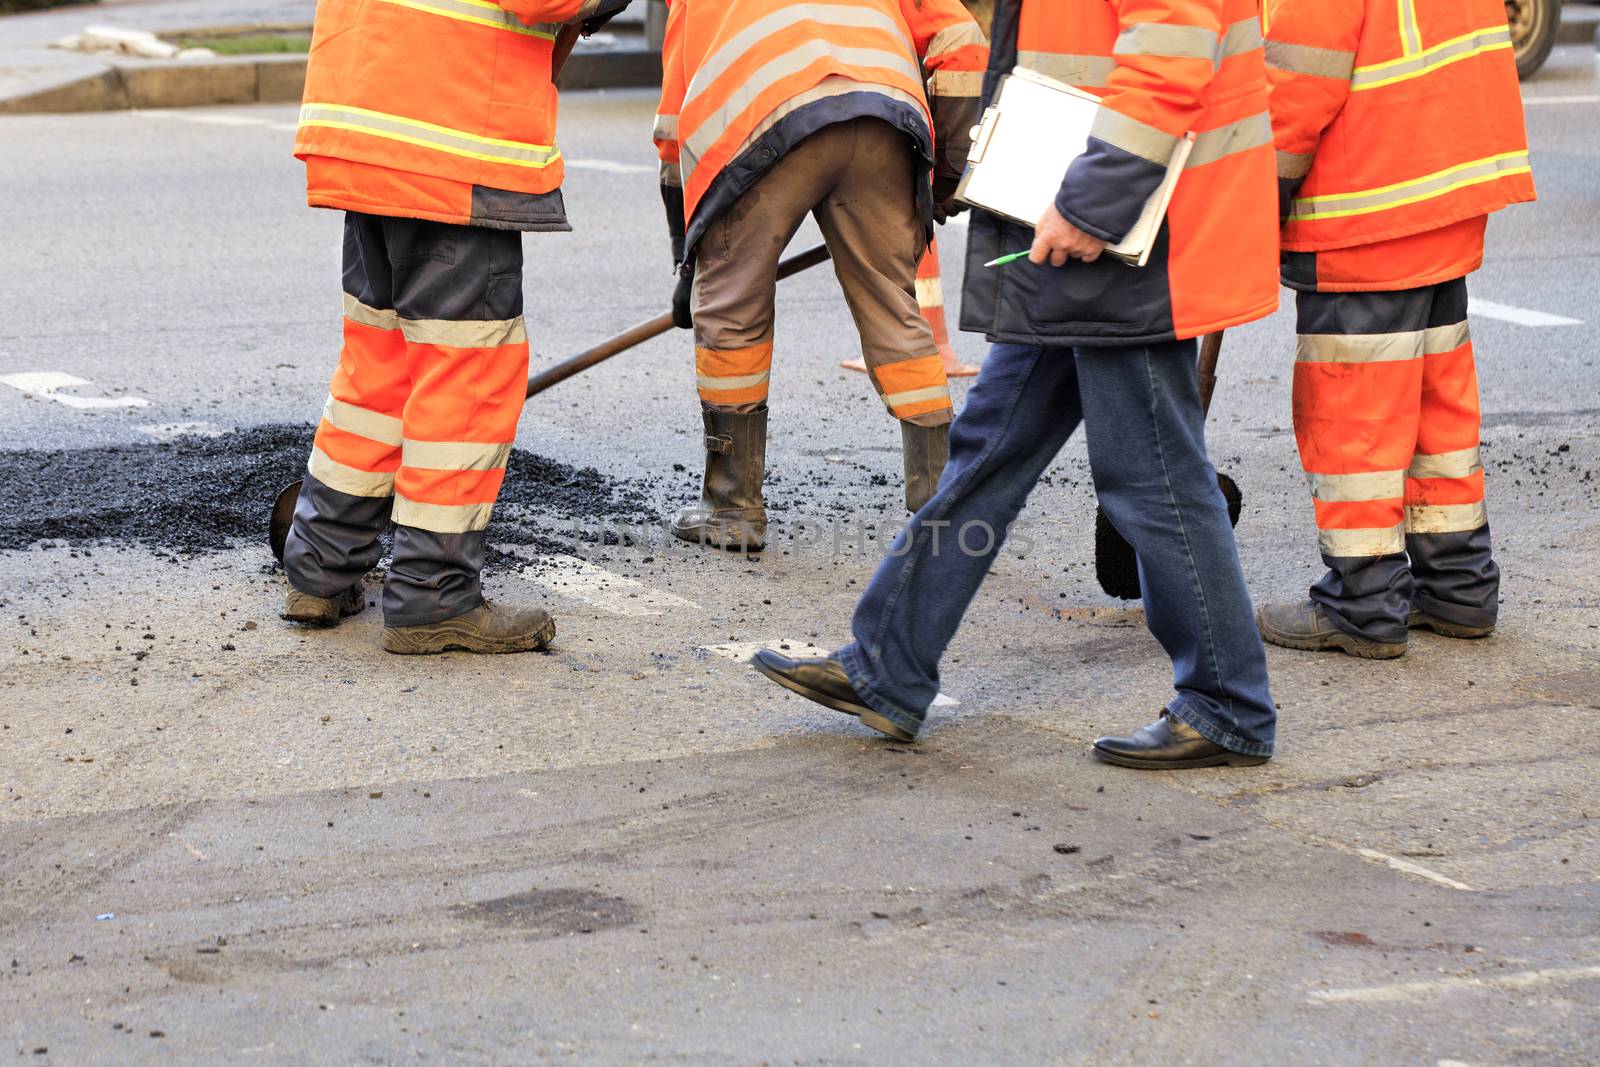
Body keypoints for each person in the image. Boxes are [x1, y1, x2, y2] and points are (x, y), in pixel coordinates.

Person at [750, 0, 1282, 770]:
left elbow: (1170, 51)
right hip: (1083, 222)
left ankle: (1228, 702)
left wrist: (1092, 201)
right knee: (989, 449)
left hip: (1125, 228)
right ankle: (887, 665)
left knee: (1153, 475)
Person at [280, 0, 628, 653]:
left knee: (377, 367)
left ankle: (319, 570)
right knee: (465, 372)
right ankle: (432, 594)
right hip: (450, 132)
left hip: (368, 120)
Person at [652, 0, 990, 551]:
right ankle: (942, 511)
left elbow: (673, 134)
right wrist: (948, 175)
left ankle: (732, 510)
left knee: (732, 312)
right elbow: (961, 42)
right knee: (894, 308)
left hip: (762, 121)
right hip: (884, 117)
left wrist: (687, 260)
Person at [1254, 0, 1535, 659]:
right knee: (1439, 411)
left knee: (1354, 418)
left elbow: (1300, 76)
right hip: (1443, 188)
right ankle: (1458, 585)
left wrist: (1259, 198)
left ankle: (1364, 599)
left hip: (1366, 202)